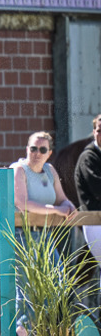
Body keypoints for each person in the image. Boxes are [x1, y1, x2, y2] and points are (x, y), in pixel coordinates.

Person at [12, 131, 77, 336]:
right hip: (24, 233)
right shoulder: (19, 169)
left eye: (42, 150)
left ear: (49, 153)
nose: (36, 153)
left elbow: (61, 197)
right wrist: (57, 210)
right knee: (28, 287)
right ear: (27, 149)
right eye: (33, 148)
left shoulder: (50, 171)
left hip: (47, 235)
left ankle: (26, 332)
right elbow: (22, 203)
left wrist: (68, 205)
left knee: (56, 284)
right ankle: (23, 333)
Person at [75, 115, 101, 275]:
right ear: (94, 132)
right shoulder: (88, 157)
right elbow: (98, 189)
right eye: (99, 130)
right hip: (95, 222)